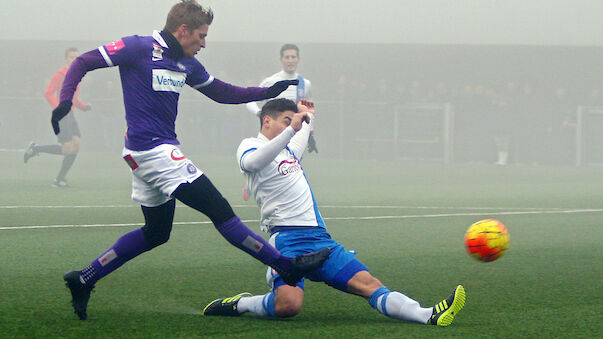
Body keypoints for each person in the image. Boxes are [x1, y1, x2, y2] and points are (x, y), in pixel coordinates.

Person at [53, 0, 329, 320]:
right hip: (154, 152)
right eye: (201, 35)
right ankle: (286, 267)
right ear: (182, 30)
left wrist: (267, 91)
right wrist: (65, 101)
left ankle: (84, 277)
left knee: (156, 233)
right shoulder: (138, 47)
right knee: (219, 210)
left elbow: (223, 92)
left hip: (145, 155)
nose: (204, 42)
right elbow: (83, 62)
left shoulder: (187, 63)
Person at [203, 98, 466, 326]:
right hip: (286, 240)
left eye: (290, 123)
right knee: (288, 307)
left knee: (370, 285)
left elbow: (300, 136)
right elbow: (252, 163)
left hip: (320, 239)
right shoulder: (249, 145)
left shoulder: (289, 151)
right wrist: (291, 129)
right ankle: (244, 304)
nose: (289, 127)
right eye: (285, 121)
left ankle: (428, 314)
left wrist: (308, 118)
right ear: (266, 121)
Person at [24, 47, 92, 187]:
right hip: (62, 115)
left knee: (76, 146)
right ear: (66, 59)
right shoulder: (60, 75)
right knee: (67, 148)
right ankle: (36, 149)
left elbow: (73, 98)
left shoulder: (77, 74)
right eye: (71, 57)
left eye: (76, 57)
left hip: (70, 114)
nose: (74, 60)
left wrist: (83, 107)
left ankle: (59, 179)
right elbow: (48, 93)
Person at [245, 44, 318, 154]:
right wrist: (260, 113)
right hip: (272, 134)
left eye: (293, 57)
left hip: (294, 135)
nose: (290, 60)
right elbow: (250, 101)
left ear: (298, 59)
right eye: (287, 57)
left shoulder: (305, 84)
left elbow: (309, 110)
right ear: (281, 59)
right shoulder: (270, 81)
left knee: (291, 166)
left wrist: (310, 134)